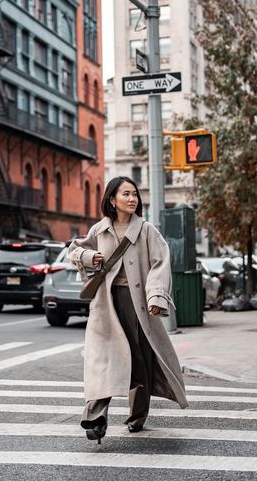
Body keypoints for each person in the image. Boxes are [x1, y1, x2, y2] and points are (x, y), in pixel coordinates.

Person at [68, 176, 188, 443]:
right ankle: (95, 418)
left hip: (138, 305)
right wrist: (89, 257)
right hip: (106, 305)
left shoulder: (146, 230)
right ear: (112, 199)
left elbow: (160, 262)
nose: (132, 199)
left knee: (139, 362)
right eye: (126, 194)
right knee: (103, 361)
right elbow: (74, 251)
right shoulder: (99, 230)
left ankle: (137, 415)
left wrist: (156, 296)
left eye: (134, 194)